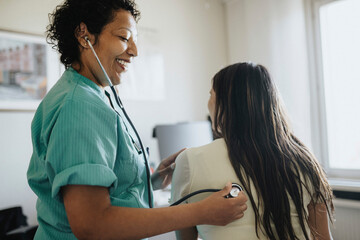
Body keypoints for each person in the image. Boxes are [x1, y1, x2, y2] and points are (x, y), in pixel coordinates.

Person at [26, 0, 248, 239]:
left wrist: (150, 180)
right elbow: (92, 223)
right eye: (124, 37)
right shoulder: (79, 106)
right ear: (84, 35)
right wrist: (201, 212)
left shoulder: (92, 94)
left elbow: (107, 188)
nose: (134, 50)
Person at [171, 62, 334, 240]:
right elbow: (323, 237)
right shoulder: (305, 161)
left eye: (211, 95)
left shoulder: (189, 161)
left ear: (225, 104)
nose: (208, 103)